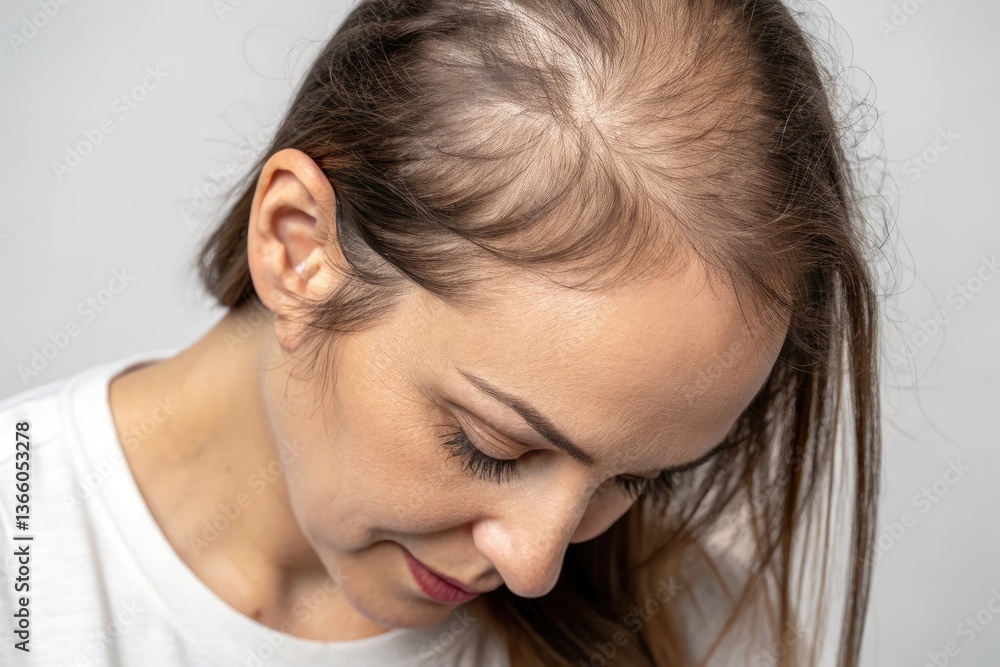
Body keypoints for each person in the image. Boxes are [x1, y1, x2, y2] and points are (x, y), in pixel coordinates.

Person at [0, 0, 882, 665]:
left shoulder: (704, 627)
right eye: (491, 446)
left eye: (636, 479)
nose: (537, 564)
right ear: (298, 249)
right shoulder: (27, 556)